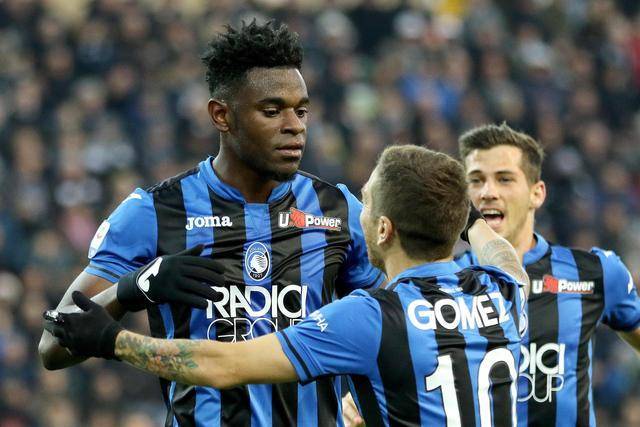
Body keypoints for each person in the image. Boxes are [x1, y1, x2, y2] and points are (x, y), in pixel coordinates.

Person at [38, 20, 385, 426]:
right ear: (222, 115)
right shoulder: (155, 212)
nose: (295, 125)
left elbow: (396, 327)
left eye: (301, 110)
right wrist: (133, 289)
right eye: (272, 111)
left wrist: (361, 399)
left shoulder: (337, 210)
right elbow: (53, 346)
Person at [45, 145, 530, 426]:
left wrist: (114, 340)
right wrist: (467, 219)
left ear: (384, 229)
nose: (356, 212)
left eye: (366, 203)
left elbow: (224, 365)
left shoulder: (369, 317)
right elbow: (508, 261)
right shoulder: (503, 294)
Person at [455, 123, 640, 426]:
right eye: (476, 180)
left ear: (537, 194)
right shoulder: (442, 281)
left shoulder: (594, 273)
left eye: (504, 179)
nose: (488, 192)